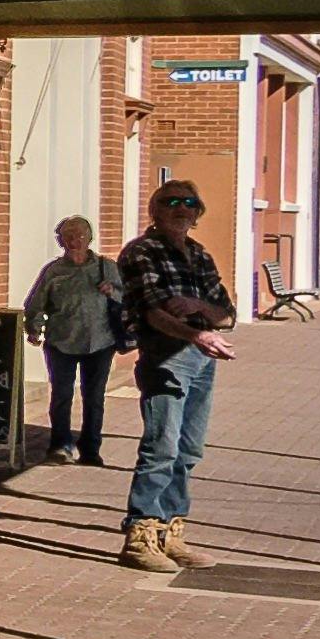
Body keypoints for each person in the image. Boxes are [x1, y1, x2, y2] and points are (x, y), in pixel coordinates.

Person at [116, 177, 244, 570]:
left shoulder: (199, 255)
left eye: (189, 203)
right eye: (171, 202)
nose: (181, 209)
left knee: (188, 450)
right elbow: (154, 312)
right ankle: (140, 535)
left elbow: (227, 313)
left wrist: (194, 307)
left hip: (202, 361)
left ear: (197, 213)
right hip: (164, 357)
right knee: (161, 447)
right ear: (155, 210)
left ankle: (171, 532)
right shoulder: (143, 251)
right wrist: (198, 330)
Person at [25, 215, 125, 463]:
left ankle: (91, 449)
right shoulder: (54, 271)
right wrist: (34, 328)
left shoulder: (106, 267)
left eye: (80, 235)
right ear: (60, 241)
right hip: (61, 341)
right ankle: (60, 445)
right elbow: (36, 303)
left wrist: (112, 291)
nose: (74, 241)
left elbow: (129, 299)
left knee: (94, 397)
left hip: (100, 341)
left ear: (89, 238)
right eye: (68, 236)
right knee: (61, 395)